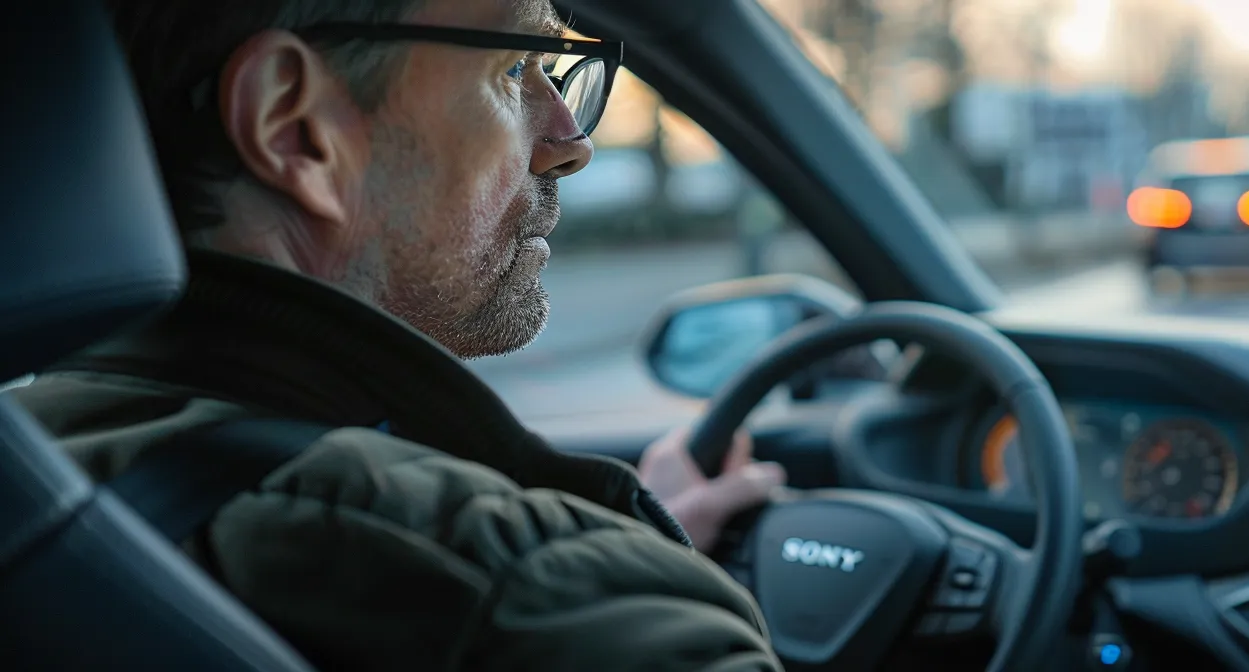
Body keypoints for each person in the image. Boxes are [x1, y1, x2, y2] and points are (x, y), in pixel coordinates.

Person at [12, 0, 786, 669]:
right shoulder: (526, 596)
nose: (569, 141)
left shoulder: (42, 470)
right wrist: (611, 577)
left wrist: (625, 545)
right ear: (297, 130)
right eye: (516, 65)